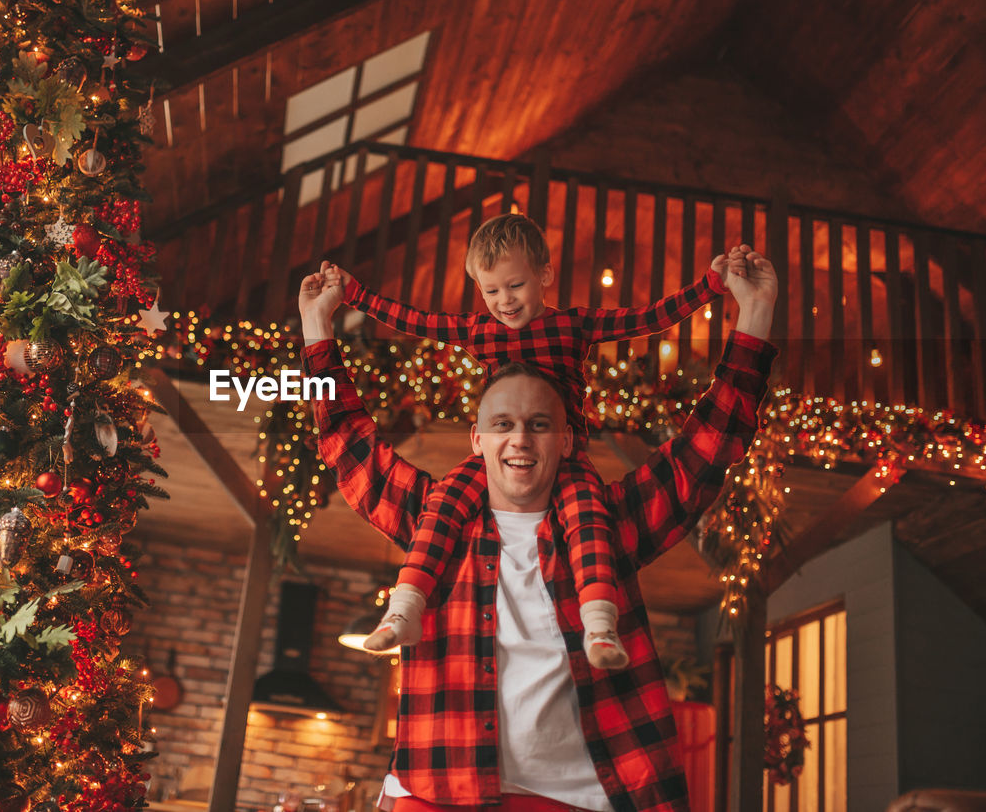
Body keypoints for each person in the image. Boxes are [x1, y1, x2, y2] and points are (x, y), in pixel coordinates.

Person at [298, 245, 777, 812]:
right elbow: (346, 440)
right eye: (501, 424)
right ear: (478, 441)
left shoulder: (609, 522)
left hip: (581, 793)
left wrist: (754, 313)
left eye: (539, 424)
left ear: (568, 440)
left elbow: (708, 446)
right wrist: (315, 325)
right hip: (437, 788)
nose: (520, 439)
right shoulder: (435, 517)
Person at [326, 213, 740, 667]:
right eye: (491, 291)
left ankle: (599, 624)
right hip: (496, 455)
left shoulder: (572, 326)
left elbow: (647, 318)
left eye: (515, 286)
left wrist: (708, 286)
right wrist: (355, 295)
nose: (504, 301)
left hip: (565, 456)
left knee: (589, 518)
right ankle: (403, 609)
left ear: (544, 276)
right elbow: (414, 320)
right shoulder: (477, 331)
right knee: (442, 504)